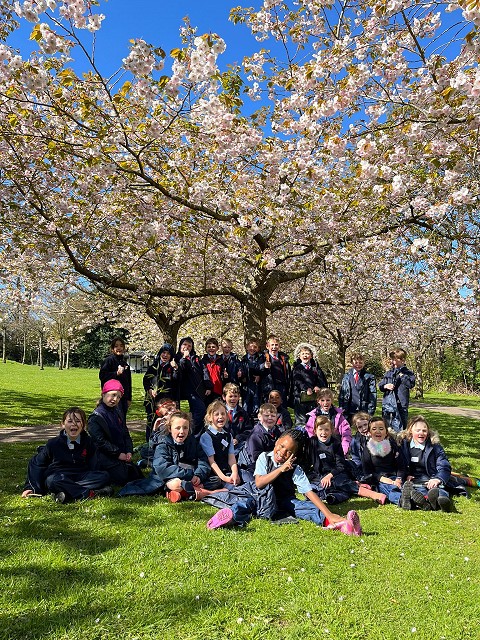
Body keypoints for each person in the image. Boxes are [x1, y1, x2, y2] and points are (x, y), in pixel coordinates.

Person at [205, 429, 362, 536]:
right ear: (277, 442)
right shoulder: (264, 458)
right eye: (281, 446)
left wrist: (329, 513)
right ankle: (229, 517)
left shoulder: (295, 468)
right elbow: (259, 483)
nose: (282, 453)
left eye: (289, 451)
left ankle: (341, 524)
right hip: (260, 497)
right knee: (245, 503)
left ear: (294, 455)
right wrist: (280, 470)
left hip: (283, 501)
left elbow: (309, 492)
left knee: (304, 506)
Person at [22, 407, 112, 503]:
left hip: (81, 475)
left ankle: (64, 492)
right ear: (63, 424)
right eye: (70, 421)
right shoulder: (53, 443)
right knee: (52, 481)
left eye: (78, 421)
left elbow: (94, 462)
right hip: (59, 475)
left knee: (104, 476)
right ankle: (89, 494)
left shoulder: (88, 442)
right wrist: (31, 487)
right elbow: (36, 463)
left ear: (84, 425)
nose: (74, 424)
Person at [398, 415, 464, 511]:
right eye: (418, 430)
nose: (421, 433)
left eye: (424, 430)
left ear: (428, 432)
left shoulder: (435, 447)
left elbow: (444, 466)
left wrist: (438, 479)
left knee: (440, 489)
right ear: (410, 432)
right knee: (419, 490)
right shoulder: (403, 445)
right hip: (415, 479)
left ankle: (443, 501)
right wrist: (406, 475)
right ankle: (429, 502)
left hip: (432, 476)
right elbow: (400, 464)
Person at [87, 380, 143, 486]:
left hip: (120, 454)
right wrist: (117, 454)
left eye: (118, 397)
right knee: (123, 477)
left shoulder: (117, 412)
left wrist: (129, 451)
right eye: (112, 395)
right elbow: (100, 441)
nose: (115, 399)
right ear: (103, 394)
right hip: (104, 456)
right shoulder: (96, 417)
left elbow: (125, 433)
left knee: (136, 474)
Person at [152, 410, 215, 502]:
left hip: (192, 477)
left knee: (215, 480)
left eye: (185, 428)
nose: (182, 431)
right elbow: (163, 468)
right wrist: (190, 475)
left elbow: (203, 460)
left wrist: (198, 475)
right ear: (170, 429)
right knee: (176, 484)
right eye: (177, 428)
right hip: (172, 477)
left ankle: (184, 493)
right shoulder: (163, 444)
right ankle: (206, 492)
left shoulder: (192, 441)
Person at [360, 416, 407, 506]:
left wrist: (398, 479)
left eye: (381, 429)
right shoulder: (367, 449)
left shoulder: (392, 445)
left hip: (394, 478)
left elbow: (401, 466)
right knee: (389, 488)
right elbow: (367, 472)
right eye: (374, 429)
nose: (378, 431)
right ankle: (402, 500)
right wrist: (383, 479)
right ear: (369, 432)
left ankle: (413, 497)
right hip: (378, 480)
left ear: (386, 432)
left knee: (401, 486)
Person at [174, 337, 211, 435]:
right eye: (184, 345)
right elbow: (181, 369)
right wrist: (184, 358)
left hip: (196, 388)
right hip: (182, 388)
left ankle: (194, 433)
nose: (187, 347)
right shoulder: (176, 358)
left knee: (200, 410)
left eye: (189, 346)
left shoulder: (196, 358)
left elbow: (204, 371)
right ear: (180, 346)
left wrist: (208, 386)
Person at [200, 400, 241, 489]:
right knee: (217, 481)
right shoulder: (206, 436)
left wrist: (234, 473)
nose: (220, 417)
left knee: (242, 478)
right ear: (210, 418)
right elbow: (211, 461)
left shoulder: (228, 435)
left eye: (223, 414)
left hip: (226, 470)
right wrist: (224, 478)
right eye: (216, 414)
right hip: (213, 472)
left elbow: (231, 457)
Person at [237, 402, 282, 482]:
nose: (270, 418)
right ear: (259, 417)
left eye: (273, 416)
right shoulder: (256, 435)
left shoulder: (276, 431)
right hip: (254, 467)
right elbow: (256, 457)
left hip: (273, 463)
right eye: (266, 416)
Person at [142, 343, 178, 441]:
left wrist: (175, 369)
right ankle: (150, 442)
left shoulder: (172, 368)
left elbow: (176, 382)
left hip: (167, 400)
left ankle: (165, 441)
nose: (165, 355)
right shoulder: (154, 367)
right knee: (152, 421)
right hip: (153, 400)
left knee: (167, 421)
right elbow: (146, 380)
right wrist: (150, 390)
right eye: (163, 353)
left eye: (168, 354)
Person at [305, 388, 352, 456]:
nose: (325, 403)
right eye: (322, 400)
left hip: (335, 446)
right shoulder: (314, 415)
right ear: (318, 401)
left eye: (328, 400)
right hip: (319, 446)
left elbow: (346, 432)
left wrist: (344, 448)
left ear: (331, 401)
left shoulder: (338, 415)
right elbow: (309, 433)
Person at [292, 342, 328, 427]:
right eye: (303, 354)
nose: (305, 356)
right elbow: (297, 381)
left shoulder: (315, 368)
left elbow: (321, 379)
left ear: (311, 356)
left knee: (314, 420)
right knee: (301, 422)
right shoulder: (297, 368)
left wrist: (318, 386)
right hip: (300, 399)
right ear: (299, 356)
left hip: (314, 399)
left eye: (307, 354)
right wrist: (306, 388)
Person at [379, 348, 415, 431]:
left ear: (402, 360)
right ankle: (387, 443)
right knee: (386, 426)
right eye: (392, 359)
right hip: (388, 403)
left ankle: (401, 443)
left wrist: (402, 375)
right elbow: (380, 386)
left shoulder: (408, 373)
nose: (392, 361)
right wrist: (385, 386)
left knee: (401, 427)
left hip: (401, 404)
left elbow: (410, 384)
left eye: (395, 359)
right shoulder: (389, 373)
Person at [136, 397, 177, 468]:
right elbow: (153, 443)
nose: (170, 413)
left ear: (174, 405)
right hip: (164, 450)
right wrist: (155, 429)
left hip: (176, 450)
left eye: (170, 409)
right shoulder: (163, 425)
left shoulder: (182, 419)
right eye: (166, 414)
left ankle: (151, 464)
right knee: (145, 451)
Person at [338, 352, 377, 423]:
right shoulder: (346, 376)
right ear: (352, 363)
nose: (358, 365)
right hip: (348, 408)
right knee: (346, 430)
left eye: (360, 363)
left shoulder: (369, 377)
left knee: (363, 430)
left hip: (363, 408)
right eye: (356, 362)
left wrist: (370, 411)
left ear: (364, 363)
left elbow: (372, 395)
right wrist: (341, 407)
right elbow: (342, 393)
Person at [99, 337, 132, 418]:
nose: (119, 348)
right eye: (116, 346)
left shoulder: (125, 364)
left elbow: (128, 382)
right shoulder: (109, 361)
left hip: (123, 397)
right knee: (112, 419)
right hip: (111, 396)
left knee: (121, 420)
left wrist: (129, 398)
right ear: (112, 349)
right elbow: (102, 376)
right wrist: (116, 373)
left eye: (121, 346)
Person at [261, 334, 292, 405]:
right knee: (269, 409)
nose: (274, 347)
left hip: (282, 387)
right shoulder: (263, 357)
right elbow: (257, 369)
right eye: (272, 345)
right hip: (269, 387)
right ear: (267, 346)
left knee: (282, 407)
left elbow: (288, 373)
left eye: (276, 345)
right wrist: (263, 366)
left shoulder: (284, 358)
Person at [223, 382, 252, 452]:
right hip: (222, 444)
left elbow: (249, 430)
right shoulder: (219, 412)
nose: (233, 399)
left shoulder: (243, 413)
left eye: (235, 396)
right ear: (224, 397)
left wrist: (238, 439)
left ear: (239, 397)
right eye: (230, 396)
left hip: (237, 445)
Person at [240, 338, 264, 421]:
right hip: (246, 386)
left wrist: (259, 375)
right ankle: (246, 424)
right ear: (247, 347)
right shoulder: (243, 360)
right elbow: (240, 371)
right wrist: (241, 376)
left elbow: (262, 370)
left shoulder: (260, 358)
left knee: (256, 406)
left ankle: (256, 424)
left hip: (256, 385)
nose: (252, 349)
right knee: (246, 406)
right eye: (251, 347)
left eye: (255, 347)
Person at [347, 411, 371, 479]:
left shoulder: (378, 436)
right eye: (360, 427)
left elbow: (381, 452)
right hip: (363, 470)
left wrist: (372, 440)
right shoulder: (355, 441)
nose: (364, 428)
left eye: (365, 425)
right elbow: (356, 459)